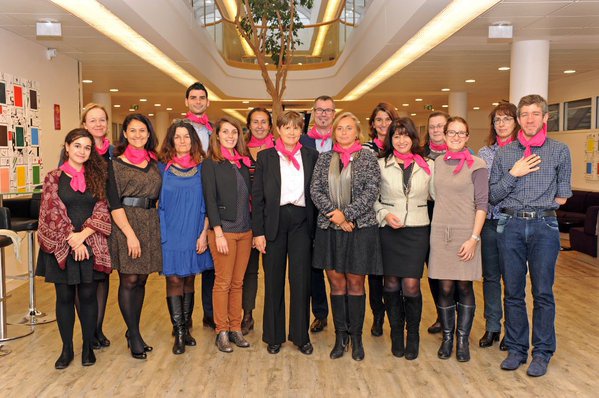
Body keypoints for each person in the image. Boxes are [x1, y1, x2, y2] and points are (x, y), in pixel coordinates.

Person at [490, 94, 572, 377]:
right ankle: (516, 348)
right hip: (509, 226)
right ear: (518, 119)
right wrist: (514, 173)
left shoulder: (560, 151)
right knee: (512, 292)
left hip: (544, 228)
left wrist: (534, 200)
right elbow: (493, 195)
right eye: (524, 114)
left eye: (535, 114)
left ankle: (542, 352)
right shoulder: (504, 153)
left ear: (545, 118)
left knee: (542, 293)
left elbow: (562, 197)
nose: (529, 119)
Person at [310, 112, 382, 361]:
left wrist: (348, 216)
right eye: (339, 128)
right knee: (336, 283)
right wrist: (336, 216)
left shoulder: (368, 158)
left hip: (360, 229)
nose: (343, 132)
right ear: (334, 132)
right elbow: (315, 190)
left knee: (355, 283)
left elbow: (372, 191)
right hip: (330, 229)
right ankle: (341, 337)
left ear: (357, 132)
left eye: (348, 128)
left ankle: (357, 338)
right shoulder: (324, 158)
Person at [37, 128, 112, 369]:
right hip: (62, 244)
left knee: (89, 296)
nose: (82, 151)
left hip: (89, 243)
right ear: (67, 147)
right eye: (77, 145)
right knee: (65, 297)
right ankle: (66, 348)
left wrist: (83, 237)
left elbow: (102, 209)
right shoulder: (53, 177)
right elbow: (51, 210)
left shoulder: (97, 177)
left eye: (87, 147)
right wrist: (72, 238)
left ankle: (88, 346)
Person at [252, 110, 318, 355]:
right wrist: (258, 232)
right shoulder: (266, 157)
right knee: (273, 280)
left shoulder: (311, 156)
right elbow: (257, 198)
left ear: (301, 131)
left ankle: (301, 336)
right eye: (286, 127)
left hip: (302, 223)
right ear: (278, 130)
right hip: (273, 224)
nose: (291, 132)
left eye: (296, 127)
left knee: (301, 281)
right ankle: (274, 335)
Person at [429, 116, 488, 363]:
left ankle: (462, 340)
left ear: (467, 137)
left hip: (467, 233)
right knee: (444, 287)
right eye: (450, 132)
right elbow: (432, 195)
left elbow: (482, 204)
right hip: (440, 232)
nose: (455, 137)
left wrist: (474, 238)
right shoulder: (437, 163)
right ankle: (447, 337)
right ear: (443, 135)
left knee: (464, 286)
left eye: (460, 133)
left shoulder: (478, 164)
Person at [374, 117, 434, 360]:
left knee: (411, 285)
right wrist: (384, 214)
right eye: (396, 136)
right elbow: (371, 198)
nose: (401, 140)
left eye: (405, 135)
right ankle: (396, 333)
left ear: (413, 138)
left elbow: (439, 195)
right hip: (389, 230)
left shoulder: (429, 164)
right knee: (390, 284)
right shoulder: (379, 164)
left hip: (417, 230)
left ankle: (414, 334)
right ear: (390, 139)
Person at [59, 103, 114, 349]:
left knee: (100, 279)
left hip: (107, 222)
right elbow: (61, 193)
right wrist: (76, 235)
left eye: (102, 119)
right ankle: (88, 334)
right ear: (84, 124)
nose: (98, 124)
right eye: (93, 120)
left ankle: (97, 329)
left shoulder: (113, 151)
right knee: (83, 282)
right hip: (78, 229)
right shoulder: (73, 149)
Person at [107, 113, 162, 360]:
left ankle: (133, 332)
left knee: (141, 280)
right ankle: (134, 333)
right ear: (125, 134)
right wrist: (129, 234)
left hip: (149, 221)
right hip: (125, 223)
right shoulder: (114, 164)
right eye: (133, 130)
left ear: (149, 135)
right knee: (128, 280)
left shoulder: (155, 162)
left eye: (143, 131)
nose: (138, 135)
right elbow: (113, 203)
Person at [158, 120, 214, 355]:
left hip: (195, 231)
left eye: (186, 137)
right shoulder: (162, 167)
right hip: (169, 231)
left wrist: (204, 234)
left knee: (190, 279)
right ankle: (179, 331)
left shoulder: (204, 167)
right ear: (171, 141)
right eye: (177, 137)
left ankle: (187, 328)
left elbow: (209, 203)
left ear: (194, 141)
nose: (182, 141)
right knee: (173, 280)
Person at [202, 116, 253, 353]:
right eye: (226, 132)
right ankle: (221, 330)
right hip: (224, 231)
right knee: (222, 283)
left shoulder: (244, 162)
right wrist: (218, 232)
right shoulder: (211, 163)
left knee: (238, 283)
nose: (230, 136)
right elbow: (210, 200)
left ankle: (235, 328)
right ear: (217, 135)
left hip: (245, 230)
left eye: (234, 132)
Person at [477, 102, 519, 351]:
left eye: (506, 119)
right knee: (490, 277)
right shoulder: (485, 153)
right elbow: (488, 192)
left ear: (516, 122)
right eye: (497, 120)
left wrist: (504, 186)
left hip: (515, 222)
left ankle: (512, 330)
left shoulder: (525, 151)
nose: (501, 124)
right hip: (491, 222)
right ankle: (493, 326)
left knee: (512, 279)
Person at [362, 102, 398, 337]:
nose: (383, 124)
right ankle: (377, 316)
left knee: (394, 272)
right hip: (370, 217)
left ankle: (397, 316)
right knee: (375, 273)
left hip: (396, 217)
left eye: (387, 119)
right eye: (379, 120)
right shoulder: (365, 149)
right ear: (372, 124)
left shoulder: (401, 145)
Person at [300, 95, 335, 334]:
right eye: (319, 110)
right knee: (314, 268)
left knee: (337, 267)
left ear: (334, 113)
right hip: (309, 212)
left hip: (339, 212)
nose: (323, 114)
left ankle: (343, 315)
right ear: (313, 113)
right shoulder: (302, 141)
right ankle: (320, 314)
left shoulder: (343, 139)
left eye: (328, 110)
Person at [183, 82, 216, 329]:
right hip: (189, 193)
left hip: (212, 192)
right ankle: (184, 318)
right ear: (187, 102)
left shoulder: (215, 130)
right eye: (193, 97)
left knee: (210, 261)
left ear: (207, 102)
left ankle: (209, 314)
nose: (197, 101)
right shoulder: (178, 129)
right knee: (188, 257)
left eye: (201, 97)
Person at [241, 107, 274, 335]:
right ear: (249, 125)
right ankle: (247, 315)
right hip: (244, 218)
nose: (260, 126)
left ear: (270, 126)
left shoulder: (280, 150)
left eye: (264, 122)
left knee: (272, 270)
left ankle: (273, 317)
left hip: (271, 219)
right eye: (255, 122)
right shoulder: (239, 149)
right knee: (248, 270)